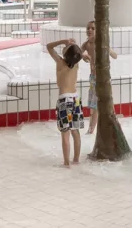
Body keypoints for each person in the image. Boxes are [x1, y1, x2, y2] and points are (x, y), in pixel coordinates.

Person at [46, 38, 86, 167]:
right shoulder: (76, 64)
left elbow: (49, 46)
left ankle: (66, 163)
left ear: (65, 53)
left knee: (65, 133)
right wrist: (72, 46)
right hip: (75, 99)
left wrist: (63, 41)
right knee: (75, 131)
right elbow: (77, 54)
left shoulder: (60, 62)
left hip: (64, 100)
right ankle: (76, 159)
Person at [81, 20, 117, 136]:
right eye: (88, 28)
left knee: (103, 104)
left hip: (102, 78)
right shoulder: (86, 45)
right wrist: (82, 55)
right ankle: (91, 130)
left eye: (92, 28)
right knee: (94, 106)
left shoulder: (101, 44)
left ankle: (102, 129)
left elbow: (115, 56)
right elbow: (76, 55)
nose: (89, 30)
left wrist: (106, 49)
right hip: (93, 78)